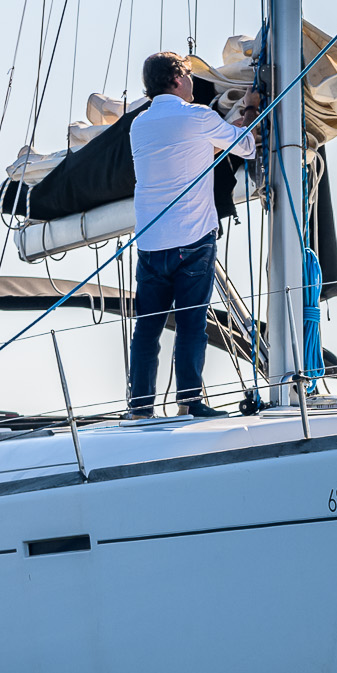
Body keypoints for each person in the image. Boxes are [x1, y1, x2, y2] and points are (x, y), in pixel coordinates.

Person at [128, 51, 259, 417]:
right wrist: (249, 108)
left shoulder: (139, 125)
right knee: (191, 324)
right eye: (187, 74)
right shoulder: (198, 117)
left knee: (147, 330)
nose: (191, 81)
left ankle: (140, 408)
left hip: (152, 244)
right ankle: (188, 402)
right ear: (176, 78)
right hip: (192, 240)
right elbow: (246, 147)